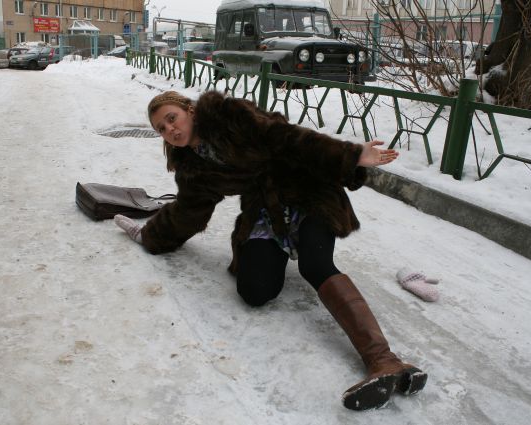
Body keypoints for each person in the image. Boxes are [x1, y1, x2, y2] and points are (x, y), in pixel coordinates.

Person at [114, 90, 427, 411]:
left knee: (315, 264)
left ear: (189, 110)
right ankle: (285, 246)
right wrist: (150, 235)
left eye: (171, 118)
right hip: (267, 211)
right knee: (254, 291)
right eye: (162, 130)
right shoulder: (193, 169)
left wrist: (350, 155)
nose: (171, 130)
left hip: (308, 191)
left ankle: (384, 360)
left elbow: (288, 138)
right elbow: (188, 211)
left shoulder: (229, 116)